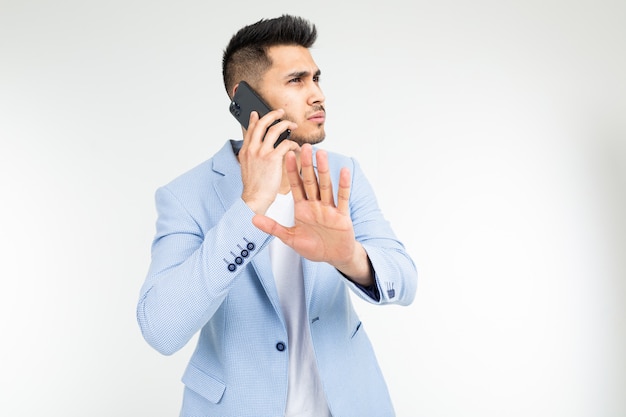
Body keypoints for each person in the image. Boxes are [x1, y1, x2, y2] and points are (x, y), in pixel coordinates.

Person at [137, 14, 417, 417]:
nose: (318, 94)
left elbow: (405, 281)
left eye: (317, 78)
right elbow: (161, 329)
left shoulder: (342, 173)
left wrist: (349, 257)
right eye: (297, 81)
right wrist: (248, 206)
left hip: (348, 402)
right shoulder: (185, 196)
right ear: (244, 97)